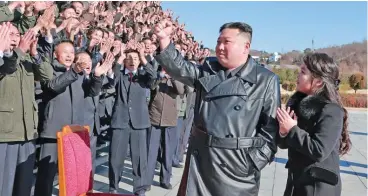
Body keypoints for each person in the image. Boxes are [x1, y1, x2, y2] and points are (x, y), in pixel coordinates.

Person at [153, 20, 281, 196]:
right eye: (218, 42)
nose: (220, 47)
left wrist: (252, 162)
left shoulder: (265, 80)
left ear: (246, 46)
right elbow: (181, 69)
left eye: (226, 42)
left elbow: (270, 131)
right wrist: (164, 40)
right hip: (201, 161)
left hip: (236, 167)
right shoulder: (209, 69)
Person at [276, 53, 351, 196]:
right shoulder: (299, 106)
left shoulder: (331, 110)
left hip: (318, 187)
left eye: (303, 72)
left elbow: (319, 150)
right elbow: (284, 143)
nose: (297, 76)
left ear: (318, 82)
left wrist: (292, 128)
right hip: (295, 183)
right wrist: (283, 131)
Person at [107, 45, 157, 196]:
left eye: (135, 59)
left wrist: (143, 57)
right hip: (120, 121)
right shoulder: (120, 75)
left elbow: (153, 77)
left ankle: (139, 189)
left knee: (140, 158)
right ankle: (113, 187)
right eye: (129, 58)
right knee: (115, 157)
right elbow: (112, 79)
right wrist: (120, 59)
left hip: (139, 123)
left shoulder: (143, 77)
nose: (132, 61)